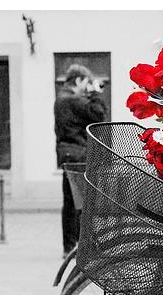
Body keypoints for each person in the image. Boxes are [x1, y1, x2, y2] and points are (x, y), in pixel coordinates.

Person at [54, 64, 107, 257]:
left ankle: (69, 246)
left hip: (67, 154)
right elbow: (99, 115)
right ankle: (83, 244)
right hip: (78, 155)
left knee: (70, 202)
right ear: (78, 80)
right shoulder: (73, 100)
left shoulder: (62, 98)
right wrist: (96, 93)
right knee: (83, 202)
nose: (87, 86)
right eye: (86, 82)